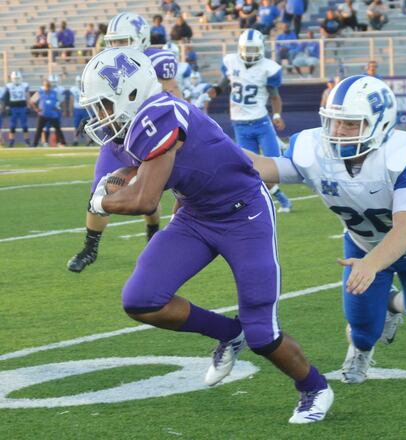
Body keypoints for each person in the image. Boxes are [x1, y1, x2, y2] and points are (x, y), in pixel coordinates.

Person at [80, 47, 333, 423]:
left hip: (244, 213)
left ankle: (314, 388)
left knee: (263, 332)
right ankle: (230, 333)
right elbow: (110, 180)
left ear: (130, 94)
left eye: (103, 105)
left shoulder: (160, 114)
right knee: (141, 299)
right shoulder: (126, 130)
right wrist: (106, 191)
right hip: (196, 214)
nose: (99, 116)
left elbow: (144, 200)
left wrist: (103, 202)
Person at [246, 75, 406, 384]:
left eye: (351, 124)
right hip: (362, 244)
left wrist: (371, 265)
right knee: (363, 326)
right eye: (335, 121)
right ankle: (361, 351)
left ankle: (392, 303)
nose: (339, 131)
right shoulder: (314, 149)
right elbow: (264, 167)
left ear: (380, 124)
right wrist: (211, 146)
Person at [67, 12, 180, 273]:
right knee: (100, 187)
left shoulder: (157, 60)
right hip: (115, 138)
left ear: (141, 38)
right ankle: (90, 247)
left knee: (147, 190)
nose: (117, 47)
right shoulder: (106, 61)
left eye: (124, 40)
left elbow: (174, 94)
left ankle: (153, 232)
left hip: (148, 136)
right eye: (114, 41)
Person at [217, 29, 293, 212]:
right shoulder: (231, 62)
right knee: (251, 171)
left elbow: (274, 96)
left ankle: (290, 157)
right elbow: (221, 85)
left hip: (261, 123)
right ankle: (280, 200)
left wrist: (276, 115)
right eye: (247, 49)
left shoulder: (269, 68)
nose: (250, 54)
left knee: (274, 168)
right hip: (240, 124)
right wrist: (210, 93)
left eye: (253, 49)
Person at [29, 79, 66, 148]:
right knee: (39, 129)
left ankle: (62, 142)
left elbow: (62, 100)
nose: (47, 87)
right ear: (43, 86)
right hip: (43, 114)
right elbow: (31, 101)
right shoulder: (40, 92)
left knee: (58, 129)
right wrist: (36, 109)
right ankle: (35, 143)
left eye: (48, 85)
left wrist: (59, 108)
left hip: (53, 115)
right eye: (46, 85)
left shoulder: (54, 93)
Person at [5, 71, 31, 147]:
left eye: (18, 78)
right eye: (15, 78)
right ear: (12, 79)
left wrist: (28, 106)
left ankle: (27, 140)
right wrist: (7, 107)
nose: (16, 80)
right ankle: (11, 141)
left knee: (24, 125)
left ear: (21, 78)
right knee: (12, 125)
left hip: (22, 106)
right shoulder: (9, 86)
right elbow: (7, 97)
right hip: (13, 107)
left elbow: (27, 96)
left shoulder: (24, 85)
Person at [69, 75, 90, 146]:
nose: (79, 83)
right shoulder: (73, 89)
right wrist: (71, 110)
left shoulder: (86, 88)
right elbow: (71, 100)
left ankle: (88, 140)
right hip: (77, 109)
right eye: (78, 81)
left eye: (80, 81)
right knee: (76, 126)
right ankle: (75, 140)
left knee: (86, 126)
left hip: (84, 109)